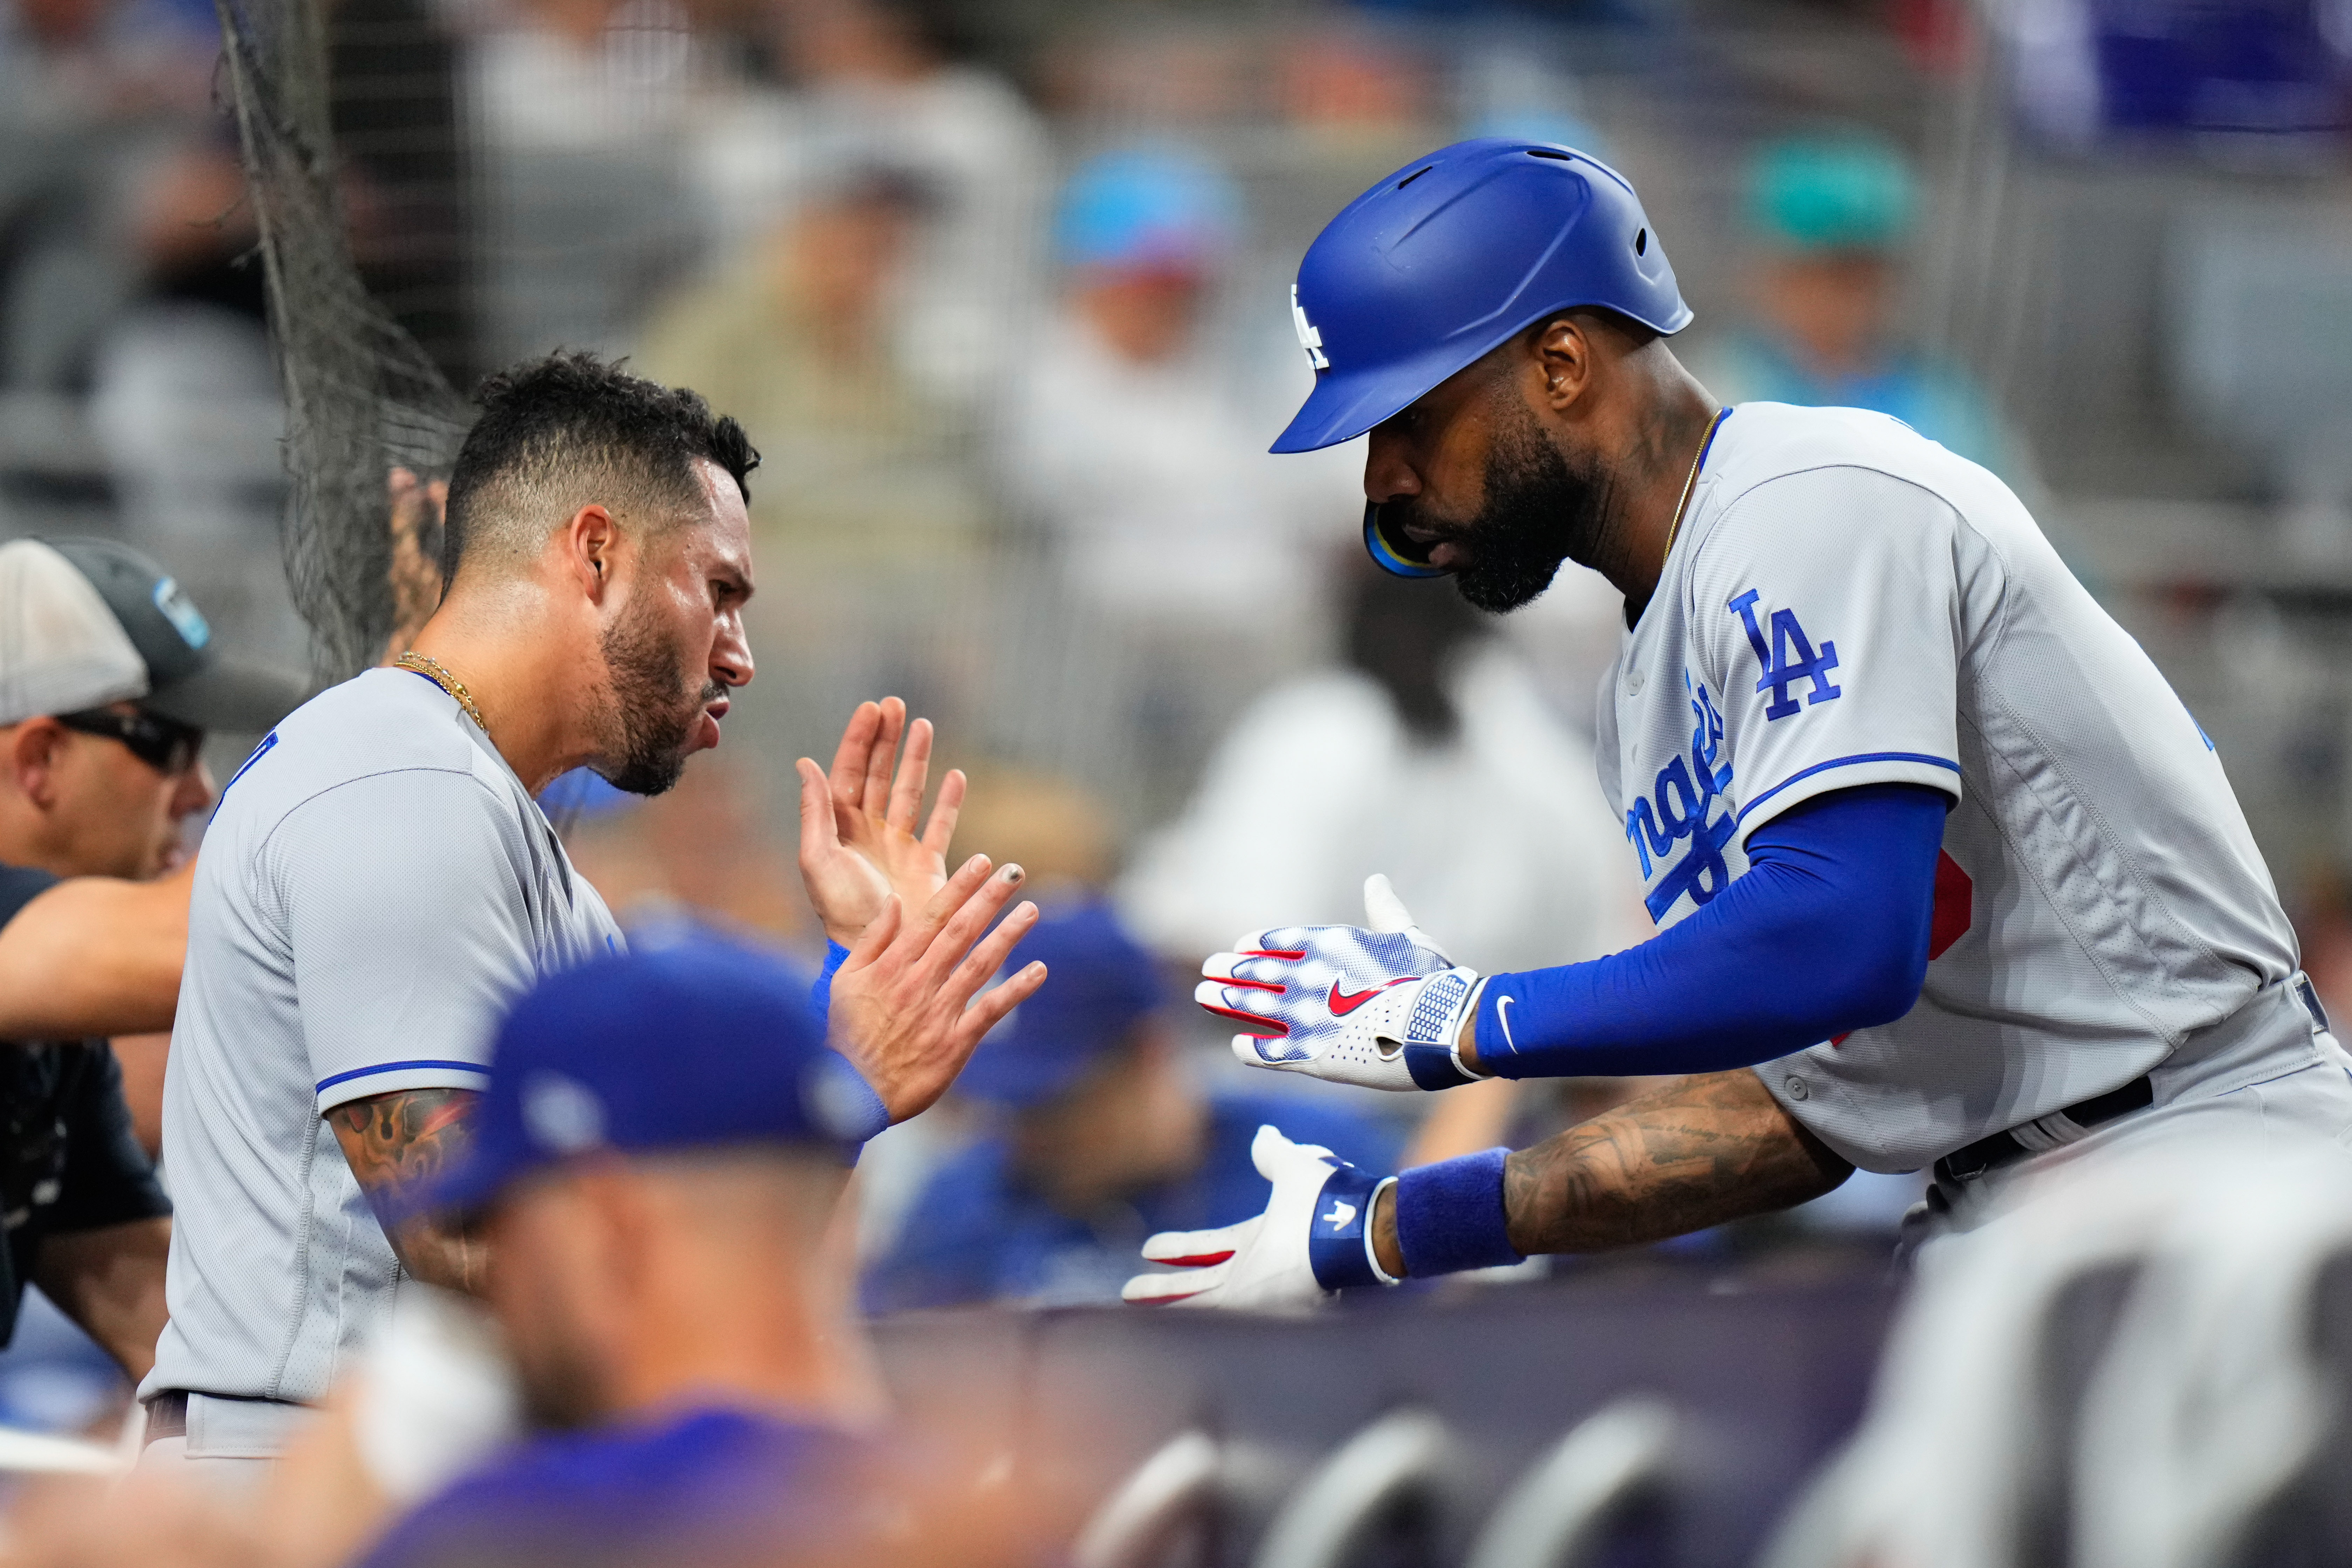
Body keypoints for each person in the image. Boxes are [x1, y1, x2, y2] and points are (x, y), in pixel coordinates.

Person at [1122, 137, 2352, 1308]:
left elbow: (1835, 937)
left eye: (1412, 418)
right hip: (2009, 1200)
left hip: (2201, 1155)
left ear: (1558, 365)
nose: (1383, 476)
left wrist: (1465, 1020)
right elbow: (1803, 1111)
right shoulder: (1645, 691)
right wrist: (1390, 1227)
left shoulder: (1808, 499)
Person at [141, 352, 1047, 1476]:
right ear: (596, 551)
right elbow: (468, 1239)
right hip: (292, 1488)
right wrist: (837, 1090)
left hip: (405, 1479)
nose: (741, 656)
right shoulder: (398, 782)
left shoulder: (495, 824)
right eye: (718, 589)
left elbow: (646, 1239)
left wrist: (837, 1031)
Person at [341, 934, 903, 1568]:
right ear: (844, 1225)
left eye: (500, 1228)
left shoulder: (513, 1533)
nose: (497, 1294)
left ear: (609, 1225)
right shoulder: (984, 1518)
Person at [0, 535, 303, 1382]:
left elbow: (181, 1328)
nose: (201, 790)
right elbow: (231, 936)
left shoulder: (54, 1045)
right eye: (166, 742)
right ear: (39, 760)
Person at [864, 902, 1397, 1312]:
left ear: (1147, 1052)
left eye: (1053, 1104)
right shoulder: (962, 1207)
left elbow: (1429, 1365)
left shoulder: (1318, 1170)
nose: (1028, 1134)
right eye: (1010, 1106)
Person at [1683, 133, 2024, 484]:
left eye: (1865, 275)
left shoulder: (1946, 410)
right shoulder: (1719, 395)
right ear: (1770, 274)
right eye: (1824, 273)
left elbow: (2010, 526)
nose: (1847, 299)